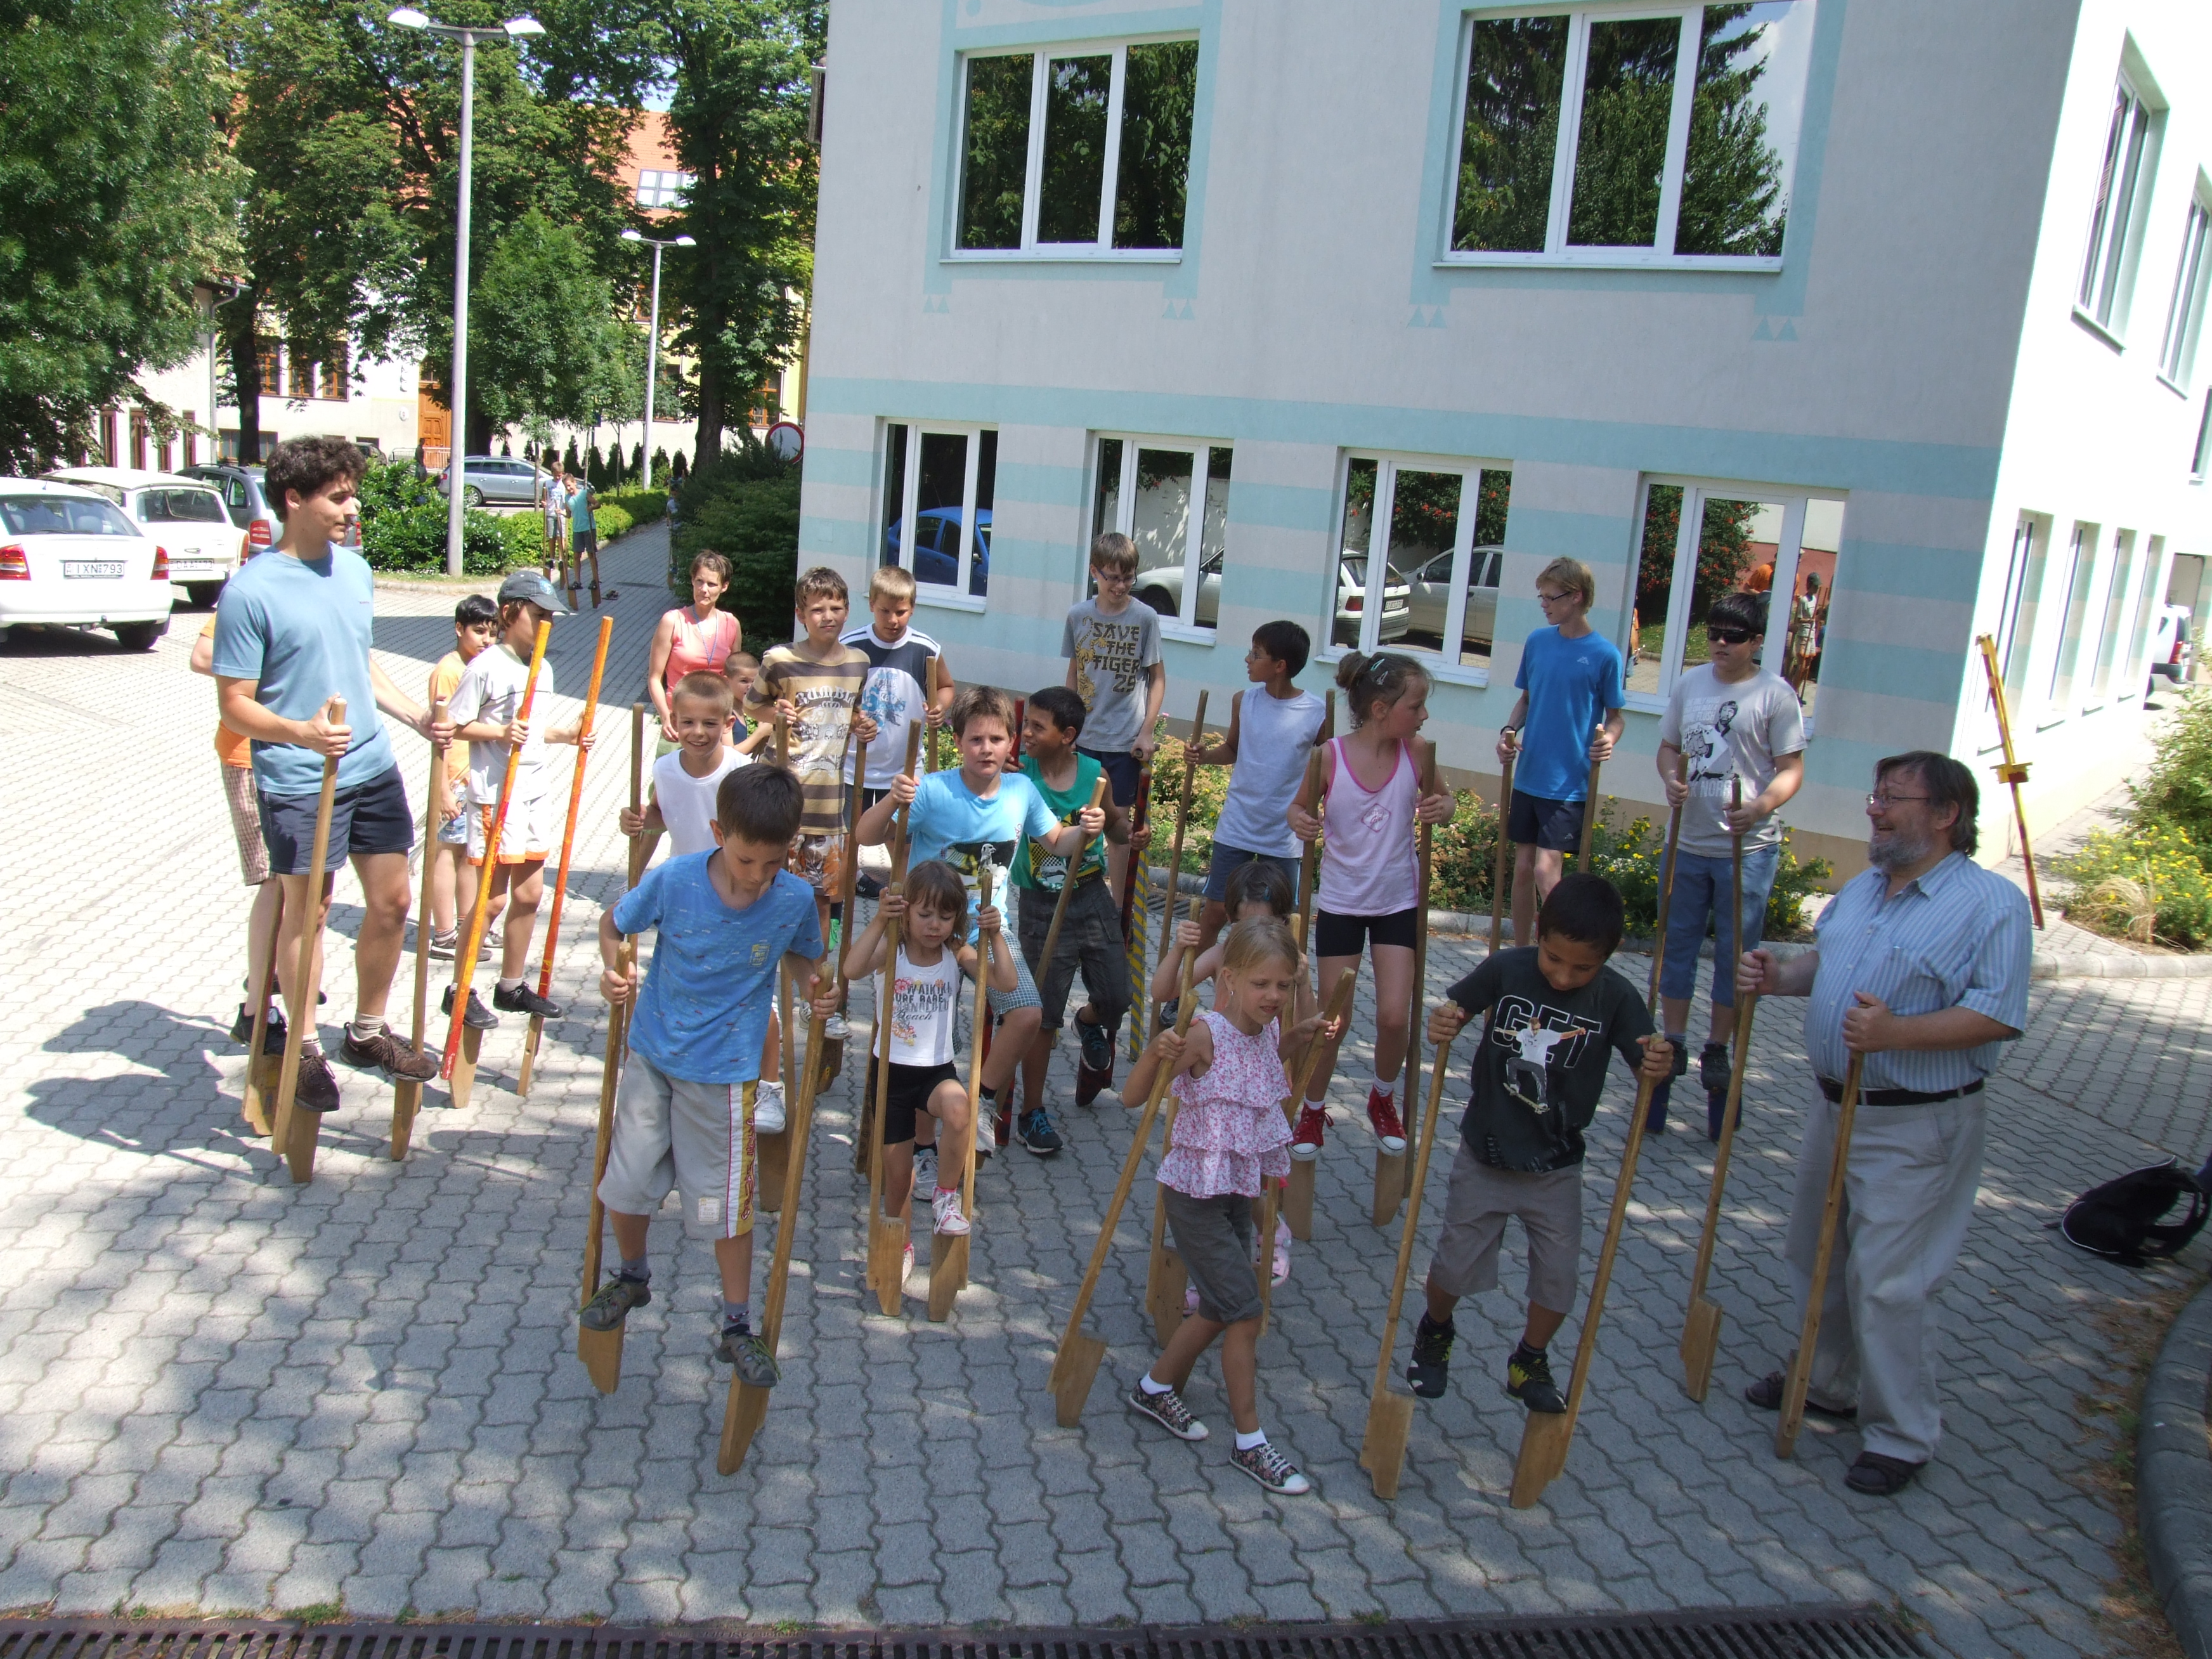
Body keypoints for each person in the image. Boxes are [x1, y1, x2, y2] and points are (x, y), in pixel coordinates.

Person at [1734, 752, 2030, 1497]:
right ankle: (1825, 1383)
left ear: (1945, 815)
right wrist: (1779, 976)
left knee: (1893, 1282)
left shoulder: (1991, 905)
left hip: (1916, 1123)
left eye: (1893, 798)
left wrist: (1896, 1034)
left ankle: (1901, 1433)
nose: (1873, 809)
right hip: (1832, 1106)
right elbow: (1828, 964)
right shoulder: (1864, 886)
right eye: (1874, 795)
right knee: (1816, 1253)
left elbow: (1998, 1014)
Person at [212, 435, 449, 1107]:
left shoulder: (356, 571)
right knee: (308, 912)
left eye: (354, 494)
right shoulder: (250, 592)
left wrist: (413, 715)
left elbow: (357, 658)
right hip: (299, 775)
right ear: (294, 499)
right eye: (340, 497)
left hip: (370, 763)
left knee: (394, 902)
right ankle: (305, 1045)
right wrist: (303, 734)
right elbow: (234, 704)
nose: (354, 508)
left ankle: (367, 1033)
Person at [585, 765, 835, 1384]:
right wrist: (613, 970)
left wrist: (816, 991)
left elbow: (805, 959)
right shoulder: (674, 879)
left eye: (772, 863)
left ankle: (736, 1325)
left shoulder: (792, 899)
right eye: (746, 860)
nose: (756, 876)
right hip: (652, 1054)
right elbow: (614, 925)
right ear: (720, 834)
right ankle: (632, 1276)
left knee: (725, 1208)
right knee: (625, 1184)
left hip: (724, 1076)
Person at [1405, 875, 1672, 1415]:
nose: (1564, 975)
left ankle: (1529, 1359)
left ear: (1609, 956)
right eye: (1553, 958)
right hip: (1486, 1153)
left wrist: (1661, 1061)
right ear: (1539, 935)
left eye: (1583, 968)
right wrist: (1443, 1022)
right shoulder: (1508, 968)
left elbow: (1650, 1054)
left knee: (1558, 1277)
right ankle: (1435, 1329)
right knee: (1454, 1266)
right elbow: (1455, 1007)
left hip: (1556, 1165)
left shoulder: (1616, 996)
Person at [1122, 915, 1332, 1495]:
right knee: (1244, 1310)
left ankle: (1155, 1388)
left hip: (1236, 1189)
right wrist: (1155, 1053)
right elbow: (1134, 1097)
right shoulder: (1203, 1035)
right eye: (1261, 984)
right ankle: (1250, 1442)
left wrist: (1300, 1035)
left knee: (1221, 1304)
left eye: (1284, 985)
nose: (1274, 996)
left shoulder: (1263, 1031)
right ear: (1230, 979)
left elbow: (1258, 1065)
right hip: (1195, 1196)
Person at [857, 685, 1102, 1156]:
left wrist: (1085, 832)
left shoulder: (1021, 791)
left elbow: (1056, 841)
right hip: (926, 935)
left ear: (1012, 743)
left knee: (1027, 1013)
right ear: (957, 742)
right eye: (975, 739)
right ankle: (921, 1149)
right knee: (926, 1046)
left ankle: (982, 1102)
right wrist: (890, 801)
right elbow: (866, 835)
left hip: (987, 930)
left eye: (996, 739)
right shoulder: (933, 791)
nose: (986, 749)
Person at [1285, 651, 1455, 1164]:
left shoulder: (1418, 753)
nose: (1424, 715)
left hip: (1397, 902)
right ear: (1381, 709)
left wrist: (1442, 807)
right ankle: (1313, 1107)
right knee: (1331, 1022)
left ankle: (1382, 1097)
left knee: (1394, 1016)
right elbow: (1296, 807)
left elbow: (1445, 801)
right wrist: (1301, 821)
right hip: (1342, 902)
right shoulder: (1329, 757)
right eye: (1415, 706)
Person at [1651, 590, 1805, 1136]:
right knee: (1676, 947)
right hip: (1688, 843)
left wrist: (1760, 807)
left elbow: (1792, 768)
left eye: (1732, 637)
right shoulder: (1690, 684)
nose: (1719, 643)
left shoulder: (1775, 695)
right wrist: (1670, 779)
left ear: (1756, 641)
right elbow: (1669, 748)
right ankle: (1673, 1039)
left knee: (1734, 958)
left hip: (1747, 850)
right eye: (1713, 632)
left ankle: (1717, 1047)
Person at [617, 671, 785, 1131]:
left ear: (729, 722)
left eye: (710, 724)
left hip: (741, 894)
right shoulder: (664, 770)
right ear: (672, 722)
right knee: (681, 985)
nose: (698, 732)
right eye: (687, 722)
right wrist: (638, 822)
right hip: (684, 897)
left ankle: (770, 1086)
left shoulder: (740, 772)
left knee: (754, 995)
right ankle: (677, 1069)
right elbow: (662, 815)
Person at [441, 571, 594, 1031]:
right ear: (510, 613)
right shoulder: (486, 666)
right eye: (539, 615)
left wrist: (567, 735)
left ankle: (510, 986)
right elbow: (454, 725)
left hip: (533, 792)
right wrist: (499, 732)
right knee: (490, 902)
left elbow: (533, 729)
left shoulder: (542, 668)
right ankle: (459, 990)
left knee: (529, 895)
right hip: (496, 795)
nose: (548, 624)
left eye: (551, 617)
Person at [843, 860, 1016, 1259]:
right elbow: (851, 969)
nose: (934, 925)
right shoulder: (893, 948)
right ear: (906, 912)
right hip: (890, 1074)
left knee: (960, 1110)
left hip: (936, 1070)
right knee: (898, 1181)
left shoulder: (956, 952)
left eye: (945, 916)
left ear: (956, 919)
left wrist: (995, 935)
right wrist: (879, 920)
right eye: (924, 915)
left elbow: (1005, 983)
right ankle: (900, 1246)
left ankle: (945, 1197)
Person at [1150, 859, 1307, 1289]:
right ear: (1231, 919)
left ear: (1283, 922)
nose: (1253, 934)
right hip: (1212, 1077)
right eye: (1242, 925)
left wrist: (1304, 982)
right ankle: (1210, 1275)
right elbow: (1162, 991)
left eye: (1266, 923)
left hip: (1259, 1083)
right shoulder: (1223, 954)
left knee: (1253, 1171)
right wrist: (1179, 950)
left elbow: (1302, 1027)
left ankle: (1271, 1233)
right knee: (1210, 1172)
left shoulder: (1285, 966)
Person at [741, 568, 878, 995]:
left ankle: (813, 994)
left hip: (827, 806)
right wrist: (775, 715)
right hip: (780, 802)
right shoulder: (779, 660)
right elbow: (751, 706)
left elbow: (852, 712)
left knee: (820, 902)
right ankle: (760, 986)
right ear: (801, 614)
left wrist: (862, 725)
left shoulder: (858, 663)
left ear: (848, 610)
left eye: (836, 607)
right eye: (818, 609)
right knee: (763, 894)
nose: (828, 616)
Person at [1011, 687, 1142, 1116]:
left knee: (1118, 996)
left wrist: (1124, 830)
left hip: (1090, 896)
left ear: (1067, 735)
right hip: (1039, 906)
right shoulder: (1019, 772)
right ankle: (1033, 1111)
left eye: (1038, 726)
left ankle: (1087, 1023)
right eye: (1026, 723)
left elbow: (1118, 830)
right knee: (1044, 1014)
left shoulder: (1094, 775)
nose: (1026, 733)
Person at [1496, 557, 1624, 950]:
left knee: (1546, 872)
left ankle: (1562, 950)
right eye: (1541, 596)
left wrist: (1609, 740)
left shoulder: (1604, 655)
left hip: (1569, 783)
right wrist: (1508, 731)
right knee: (1522, 870)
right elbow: (1526, 699)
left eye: (1550, 597)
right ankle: (1522, 952)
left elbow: (1616, 718)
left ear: (1576, 597)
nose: (1544, 604)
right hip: (1530, 775)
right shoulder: (1537, 642)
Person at [190, 540, 282, 1054]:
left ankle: (279, 974)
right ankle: (256, 1003)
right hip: (247, 755)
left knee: (296, 880)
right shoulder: (243, 599)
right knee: (273, 878)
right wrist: (265, 666)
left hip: (295, 753)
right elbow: (202, 656)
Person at [1190, 621, 1325, 956]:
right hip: (1238, 822)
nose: (1247, 659)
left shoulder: (1316, 712)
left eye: (1256, 654)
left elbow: (1327, 767)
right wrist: (1205, 757)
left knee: (1278, 921)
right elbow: (1233, 749)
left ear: (1280, 666)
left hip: (1283, 832)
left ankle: (1277, 985)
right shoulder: (1244, 701)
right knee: (1217, 910)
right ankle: (1187, 982)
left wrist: (1320, 807)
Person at [1063, 531, 1166, 903]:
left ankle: (1118, 912)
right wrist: (1067, 728)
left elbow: (1157, 678)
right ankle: (1076, 899)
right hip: (1086, 737)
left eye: (1128, 578)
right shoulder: (1078, 616)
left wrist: (1147, 731)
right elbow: (1074, 674)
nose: (1121, 586)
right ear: (1095, 572)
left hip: (1124, 742)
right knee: (1081, 821)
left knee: (1119, 829)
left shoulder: (1145, 618)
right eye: (1113, 578)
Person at [843, 564, 953, 899]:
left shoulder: (925, 648)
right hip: (855, 766)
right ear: (871, 604)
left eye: (901, 612)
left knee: (903, 840)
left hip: (905, 768)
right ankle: (844, 894)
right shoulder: (851, 647)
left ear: (913, 608)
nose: (893, 620)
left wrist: (939, 706)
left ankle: (905, 899)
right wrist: (854, 720)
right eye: (885, 611)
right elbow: (840, 699)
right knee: (849, 838)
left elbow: (945, 686)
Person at [426, 595, 500, 958]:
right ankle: (444, 935)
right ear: (459, 629)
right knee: (447, 853)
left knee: (472, 855)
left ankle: (471, 927)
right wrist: (441, 788)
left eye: (492, 633)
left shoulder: (480, 667)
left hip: (476, 777)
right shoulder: (449, 670)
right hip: (454, 777)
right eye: (478, 632)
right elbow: (439, 733)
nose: (486, 640)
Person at [649, 552, 742, 746]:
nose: (704, 590)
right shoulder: (673, 621)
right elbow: (655, 678)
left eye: (712, 584)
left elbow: (735, 678)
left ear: (724, 586)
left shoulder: (731, 624)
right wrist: (666, 717)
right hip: (680, 722)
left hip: (716, 723)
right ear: (692, 581)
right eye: (699, 581)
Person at [539, 464, 568, 585]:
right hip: (550, 513)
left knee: (561, 537)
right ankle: (552, 559)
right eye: (556, 475)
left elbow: (567, 499)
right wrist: (543, 503)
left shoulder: (564, 485)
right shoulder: (547, 484)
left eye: (560, 475)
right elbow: (543, 498)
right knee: (551, 537)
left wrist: (566, 510)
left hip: (560, 513)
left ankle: (561, 559)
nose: (558, 477)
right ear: (552, 473)